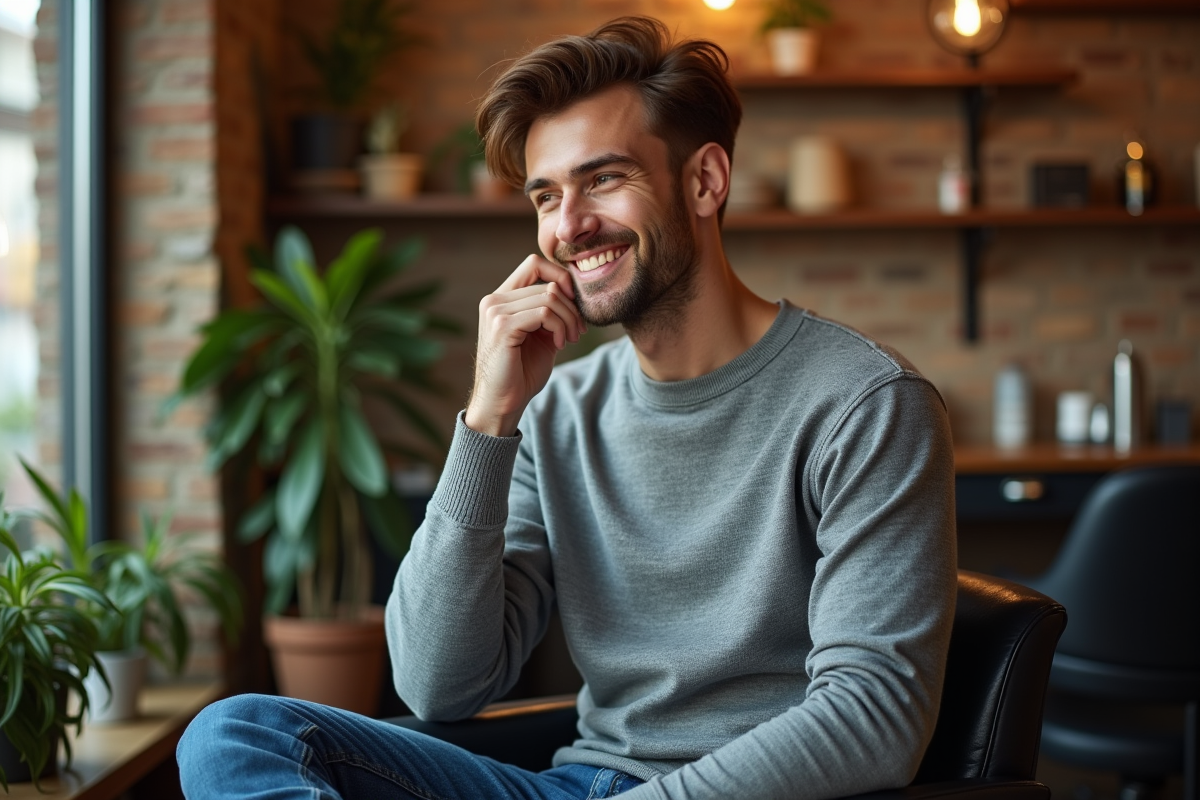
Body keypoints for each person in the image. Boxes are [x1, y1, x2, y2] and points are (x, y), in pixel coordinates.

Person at [177, 16, 957, 800]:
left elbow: (874, 716)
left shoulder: (865, 403)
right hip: (579, 785)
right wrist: (489, 418)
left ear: (705, 181)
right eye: (546, 195)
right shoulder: (561, 411)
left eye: (605, 179)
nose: (568, 226)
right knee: (237, 735)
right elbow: (438, 685)